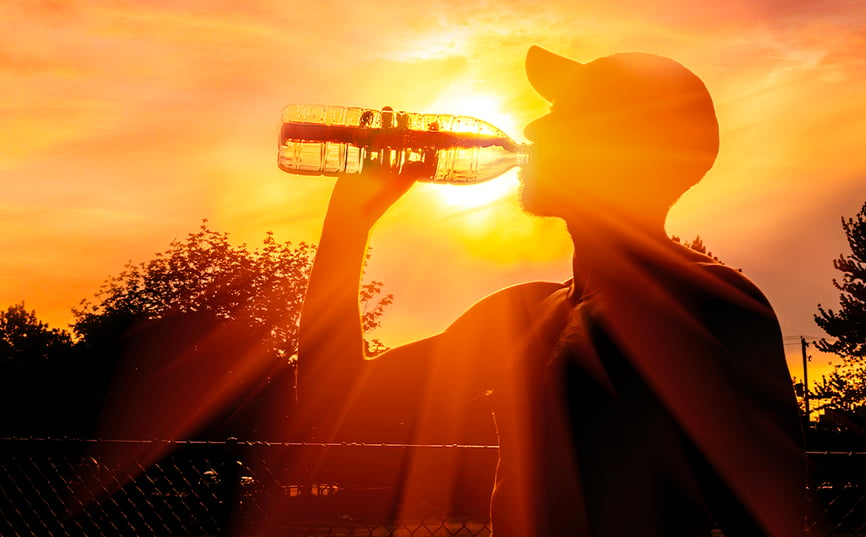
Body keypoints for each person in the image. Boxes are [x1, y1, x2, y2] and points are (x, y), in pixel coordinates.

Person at [295, 46, 805, 537]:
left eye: (567, 113)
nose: (533, 127)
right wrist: (348, 225)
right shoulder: (525, 312)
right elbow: (333, 404)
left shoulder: (706, 304)